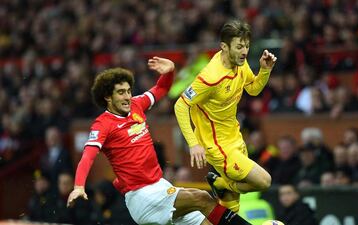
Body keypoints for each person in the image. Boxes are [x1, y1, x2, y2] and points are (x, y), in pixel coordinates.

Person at [66, 57, 252, 225]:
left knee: (205, 221)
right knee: (202, 198)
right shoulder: (102, 124)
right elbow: (88, 156)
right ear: (108, 97)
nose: (127, 97)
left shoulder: (137, 105)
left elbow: (161, 88)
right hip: (142, 196)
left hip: (160, 186)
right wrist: (79, 186)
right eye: (121, 92)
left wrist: (169, 72)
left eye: (129, 91)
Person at [174, 19, 276, 212]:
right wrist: (193, 144)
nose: (244, 51)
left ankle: (223, 191)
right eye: (239, 46)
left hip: (235, 138)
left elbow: (253, 90)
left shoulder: (241, 63)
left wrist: (264, 70)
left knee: (230, 209)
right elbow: (180, 105)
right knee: (264, 181)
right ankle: (222, 185)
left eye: (246, 45)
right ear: (224, 47)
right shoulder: (210, 78)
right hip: (219, 147)